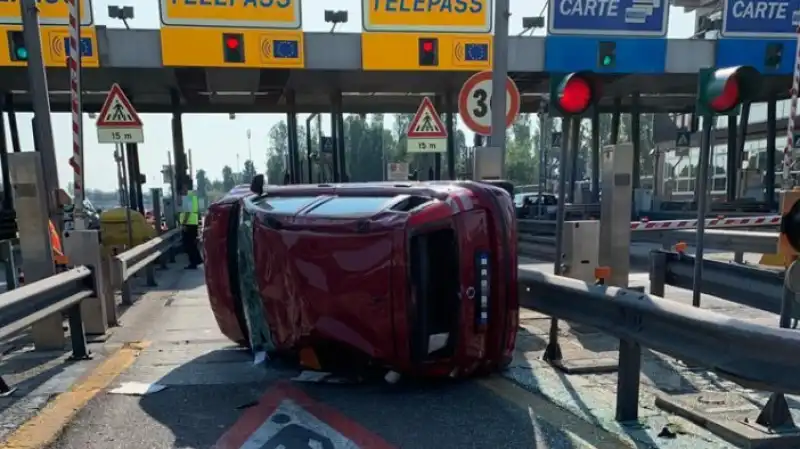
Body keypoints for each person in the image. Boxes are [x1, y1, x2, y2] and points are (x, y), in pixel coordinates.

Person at [179, 182, 203, 269]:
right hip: (194, 224)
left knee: (188, 244)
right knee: (192, 244)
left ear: (185, 187)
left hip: (189, 224)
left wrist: (184, 224)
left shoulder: (188, 198)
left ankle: (193, 262)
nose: (182, 192)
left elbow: (187, 212)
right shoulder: (193, 197)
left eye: (182, 189)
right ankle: (197, 260)